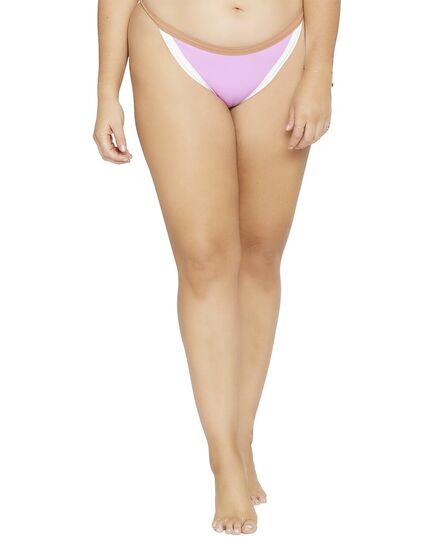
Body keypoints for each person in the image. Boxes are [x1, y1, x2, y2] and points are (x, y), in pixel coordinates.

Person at [93, 0, 340, 533]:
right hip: (171, 44)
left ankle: (241, 434)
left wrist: (320, 70)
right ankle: (223, 458)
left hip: (283, 48)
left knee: (262, 252)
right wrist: (106, 90)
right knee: (203, 259)